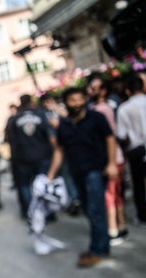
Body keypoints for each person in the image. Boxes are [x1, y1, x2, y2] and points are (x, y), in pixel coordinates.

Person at [50, 87, 118, 267]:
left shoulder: (96, 118)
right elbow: (59, 150)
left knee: (96, 210)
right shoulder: (63, 125)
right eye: (73, 100)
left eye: (80, 99)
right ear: (66, 102)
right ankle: (101, 245)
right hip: (76, 172)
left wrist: (111, 163)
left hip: (95, 170)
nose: (77, 103)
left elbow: (110, 139)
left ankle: (98, 250)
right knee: (89, 210)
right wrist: (50, 175)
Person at [88, 78, 128, 244]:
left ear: (103, 90)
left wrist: (110, 161)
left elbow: (109, 137)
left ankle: (113, 230)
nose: (90, 91)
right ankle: (121, 226)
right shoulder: (105, 108)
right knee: (116, 194)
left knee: (110, 195)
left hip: (110, 159)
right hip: (114, 157)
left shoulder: (101, 110)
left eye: (94, 88)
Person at [7, 94, 60, 219]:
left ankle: (30, 212)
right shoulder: (40, 115)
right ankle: (48, 213)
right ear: (31, 102)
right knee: (44, 184)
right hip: (42, 156)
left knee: (25, 186)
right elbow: (50, 135)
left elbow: (11, 140)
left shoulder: (15, 119)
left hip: (23, 158)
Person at [116, 74, 146, 224]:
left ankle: (142, 215)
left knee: (138, 185)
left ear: (128, 91)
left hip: (136, 150)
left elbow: (122, 134)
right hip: (138, 150)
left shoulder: (124, 108)